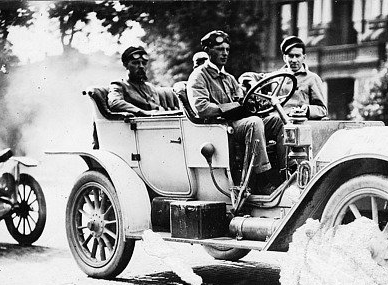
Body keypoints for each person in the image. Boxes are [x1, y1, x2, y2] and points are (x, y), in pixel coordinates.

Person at [187, 30, 283, 195]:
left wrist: (252, 104)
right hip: (220, 128)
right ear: (208, 51)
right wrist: (232, 107)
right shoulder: (199, 76)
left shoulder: (229, 78)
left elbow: (242, 101)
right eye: (219, 49)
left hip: (237, 124)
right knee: (254, 123)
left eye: (227, 49)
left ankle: (285, 171)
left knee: (276, 121)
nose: (224, 53)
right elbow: (201, 108)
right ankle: (262, 179)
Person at [108, 46, 179, 117]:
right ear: (126, 65)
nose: (141, 66)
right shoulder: (119, 85)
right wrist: (142, 112)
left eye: (144, 63)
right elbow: (114, 102)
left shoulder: (150, 87)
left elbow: (156, 107)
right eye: (135, 63)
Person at [277, 36, 327, 120]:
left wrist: (307, 110)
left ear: (304, 57)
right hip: (275, 122)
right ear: (284, 58)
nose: (294, 60)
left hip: (297, 123)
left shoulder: (312, 78)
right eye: (291, 56)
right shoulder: (276, 77)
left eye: (297, 56)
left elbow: (322, 110)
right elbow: (252, 77)